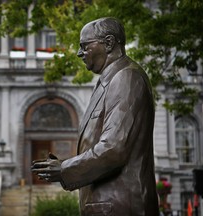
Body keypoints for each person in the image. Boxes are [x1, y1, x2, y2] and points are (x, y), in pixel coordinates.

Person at [32, 17, 159, 216]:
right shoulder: (108, 81)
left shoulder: (126, 77)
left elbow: (113, 149)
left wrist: (64, 169)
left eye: (84, 46)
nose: (79, 53)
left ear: (108, 43)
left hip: (120, 207)